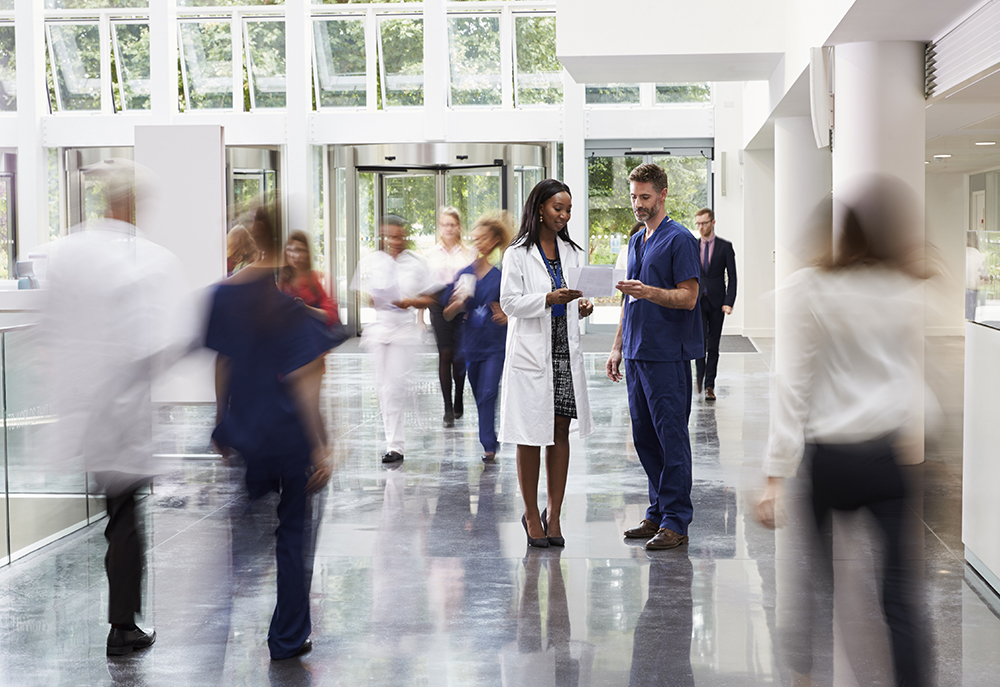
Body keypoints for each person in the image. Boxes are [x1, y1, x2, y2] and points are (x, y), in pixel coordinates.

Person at [756, 178, 932, 687]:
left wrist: (775, 476)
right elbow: (912, 377)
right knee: (900, 599)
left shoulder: (812, 289)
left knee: (815, 584)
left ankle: (806, 677)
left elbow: (793, 384)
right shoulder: (901, 289)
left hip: (831, 458)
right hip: (885, 457)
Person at [39, 159, 186, 655]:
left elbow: (51, 331)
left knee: (116, 515)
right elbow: (153, 345)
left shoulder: (69, 252)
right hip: (119, 415)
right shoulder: (144, 259)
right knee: (124, 520)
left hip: (82, 411)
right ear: (131, 203)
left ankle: (122, 620)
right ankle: (122, 626)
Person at [207, 205, 333, 661]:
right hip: (290, 436)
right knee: (293, 534)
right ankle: (287, 637)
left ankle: (216, 620)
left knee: (246, 529)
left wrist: (222, 420)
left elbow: (223, 362)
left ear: (253, 238)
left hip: (248, 430)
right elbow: (305, 380)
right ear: (283, 244)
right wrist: (320, 446)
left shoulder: (222, 295)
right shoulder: (288, 309)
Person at [607, 163, 702, 551]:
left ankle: (676, 520)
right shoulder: (636, 241)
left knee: (671, 438)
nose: (638, 204)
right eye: (633, 197)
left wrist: (651, 292)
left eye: (645, 197)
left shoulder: (680, 240)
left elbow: (689, 296)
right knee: (645, 437)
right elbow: (629, 300)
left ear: (663, 195)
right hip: (636, 352)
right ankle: (658, 512)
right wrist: (616, 347)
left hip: (667, 355)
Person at [500, 179, 594, 548]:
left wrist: (578, 306)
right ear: (540, 208)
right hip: (531, 354)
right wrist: (548, 298)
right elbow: (509, 303)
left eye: (568, 209)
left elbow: (572, 300)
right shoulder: (517, 254)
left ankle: (553, 515)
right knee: (529, 434)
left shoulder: (571, 251)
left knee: (559, 429)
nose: (564, 215)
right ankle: (529, 512)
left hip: (563, 353)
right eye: (558, 208)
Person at [352, 215, 438, 464]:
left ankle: (413, 420)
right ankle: (394, 446)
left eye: (399, 236)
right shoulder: (371, 262)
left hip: (404, 330)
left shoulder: (416, 263)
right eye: (390, 236)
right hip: (379, 328)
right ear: (383, 237)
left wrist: (409, 301)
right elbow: (361, 292)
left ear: (405, 235)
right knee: (385, 387)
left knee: (397, 384)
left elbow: (430, 298)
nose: (395, 241)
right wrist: (371, 298)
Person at [442, 211, 513, 462]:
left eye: (483, 238)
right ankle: (489, 439)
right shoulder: (465, 274)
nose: (478, 243)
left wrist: (506, 316)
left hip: (495, 344)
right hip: (471, 346)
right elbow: (448, 313)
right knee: (479, 393)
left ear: (494, 241)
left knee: (488, 392)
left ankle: (488, 444)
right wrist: (457, 305)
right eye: (475, 239)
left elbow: (514, 309)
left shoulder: (502, 277)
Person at [426, 207, 477, 427]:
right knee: (445, 354)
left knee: (459, 357)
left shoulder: (469, 253)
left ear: (459, 227)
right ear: (439, 227)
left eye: (452, 224)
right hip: (438, 306)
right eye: (444, 224)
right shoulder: (430, 254)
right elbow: (425, 288)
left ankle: (458, 398)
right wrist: (419, 318)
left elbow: (474, 281)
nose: (448, 228)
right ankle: (447, 407)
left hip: (462, 305)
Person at [693, 208, 737, 401]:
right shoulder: (692, 246)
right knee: (699, 344)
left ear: (713, 222)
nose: (701, 227)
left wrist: (729, 302)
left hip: (718, 303)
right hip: (697, 302)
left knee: (713, 346)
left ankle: (710, 385)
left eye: (704, 223)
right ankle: (699, 381)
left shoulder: (725, 247)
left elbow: (733, 278)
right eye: (698, 224)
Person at [279, 230, 339, 327]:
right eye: (290, 250)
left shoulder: (313, 279)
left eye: (300, 250)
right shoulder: (283, 282)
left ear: (307, 253)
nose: (295, 255)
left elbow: (330, 316)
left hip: (309, 335)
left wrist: (306, 308)